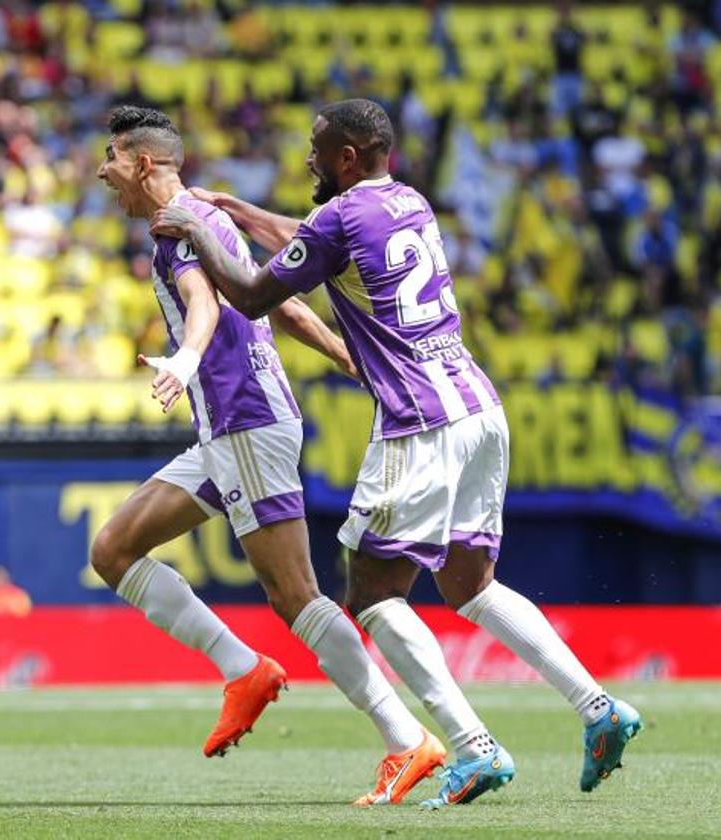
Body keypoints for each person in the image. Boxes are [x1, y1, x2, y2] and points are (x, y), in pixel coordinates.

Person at [151, 98, 642, 808]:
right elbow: (310, 241)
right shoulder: (406, 202)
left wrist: (199, 221)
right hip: (478, 405)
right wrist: (239, 211)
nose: (310, 158)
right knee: (472, 586)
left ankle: (473, 748)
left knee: (374, 595)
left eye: (319, 149)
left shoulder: (338, 217)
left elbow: (256, 295)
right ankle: (599, 709)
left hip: (419, 419)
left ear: (348, 156)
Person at [95, 106, 446, 806]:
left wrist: (186, 361)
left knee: (296, 597)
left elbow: (202, 304)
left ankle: (407, 739)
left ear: (143, 163)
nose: (104, 173)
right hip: (226, 428)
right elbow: (273, 303)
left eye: (112, 158)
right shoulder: (207, 219)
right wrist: (348, 356)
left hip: (245, 421)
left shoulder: (179, 227)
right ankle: (243, 669)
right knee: (114, 549)